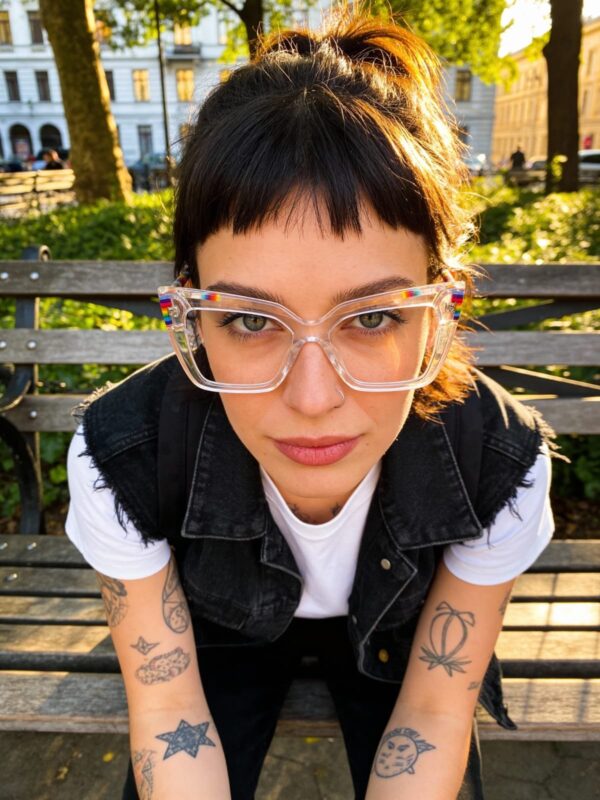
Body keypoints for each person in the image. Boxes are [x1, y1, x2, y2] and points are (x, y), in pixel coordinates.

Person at [65, 8, 555, 800]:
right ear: (191, 309)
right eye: (252, 320)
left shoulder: (498, 463)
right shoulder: (125, 457)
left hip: (402, 628)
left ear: (441, 310)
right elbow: (168, 706)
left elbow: (436, 708)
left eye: (373, 317)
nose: (314, 397)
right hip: (217, 629)